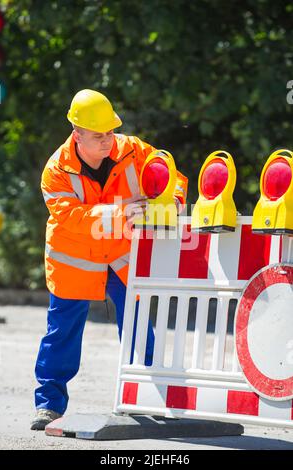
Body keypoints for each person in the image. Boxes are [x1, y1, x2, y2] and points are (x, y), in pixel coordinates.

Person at [31, 89, 188, 430]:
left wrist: (174, 199)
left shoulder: (133, 149)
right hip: (75, 258)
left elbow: (171, 175)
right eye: (98, 135)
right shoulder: (56, 171)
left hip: (120, 255)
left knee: (136, 326)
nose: (107, 141)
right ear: (77, 135)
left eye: (110, 132)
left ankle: (145, 397)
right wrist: (120, 213)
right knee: (61, 334)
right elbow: (72, 216)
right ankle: (49, 405)